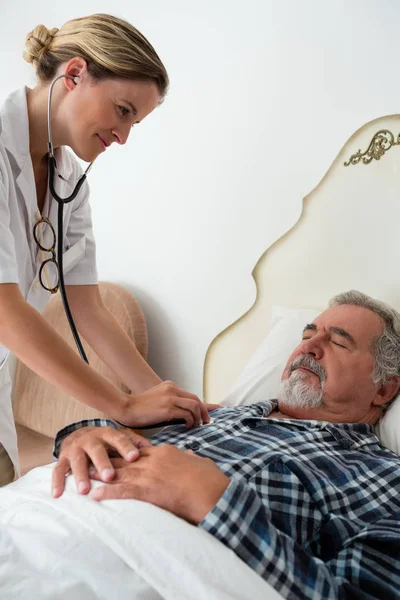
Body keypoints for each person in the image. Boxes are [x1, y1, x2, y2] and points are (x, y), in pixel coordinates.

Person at [54, 290, 400, 598]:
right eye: (307, 334)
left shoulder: (385, 480)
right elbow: (126, 437)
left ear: (384, 389)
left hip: (124, 570)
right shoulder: (212, 413)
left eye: (338, 342)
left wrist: (216, 503)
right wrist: (85, 435)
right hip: (49, 513)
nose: (309, 346)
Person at [0, 13, 215, 487]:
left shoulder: (68, 182)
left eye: (134, 122)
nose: (123, 137)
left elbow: (89, 308)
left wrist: (166, 403)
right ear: (74, 74)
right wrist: (121, 405)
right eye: (123, 111)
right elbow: (3, 308)